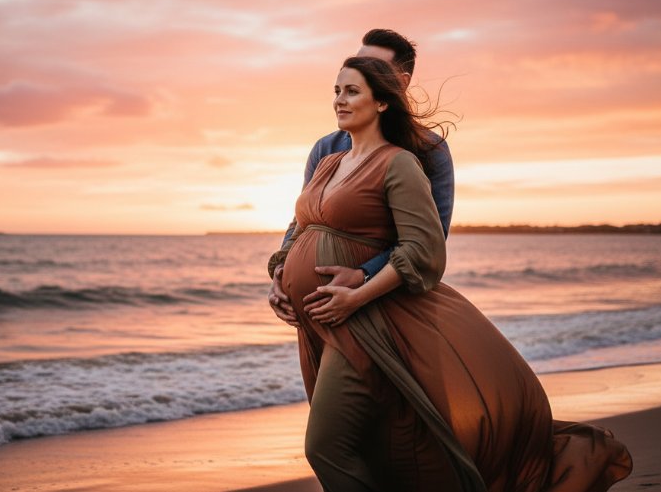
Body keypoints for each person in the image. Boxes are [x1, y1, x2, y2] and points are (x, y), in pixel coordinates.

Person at [266, 56, 632, 491]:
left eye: (351, 91)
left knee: (324, 446)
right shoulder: (328, 164)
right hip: (318, 324)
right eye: (336, 91)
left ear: (382, 102)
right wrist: (279, 276)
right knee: (362, 444)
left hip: (365, 325)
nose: (339, 101)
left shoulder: (398, 163)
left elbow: (423, 249)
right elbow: (300, 229)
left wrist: (358, 294)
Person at [268, 29, 454, 329]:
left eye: (374, 69)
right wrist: (281, 273)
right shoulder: (326, 149)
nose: (360, 72)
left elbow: (429, 240)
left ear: (398, 84)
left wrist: (363, 275)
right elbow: (301, 223)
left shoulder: (427, 151)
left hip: (380, 304)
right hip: (320, 308)